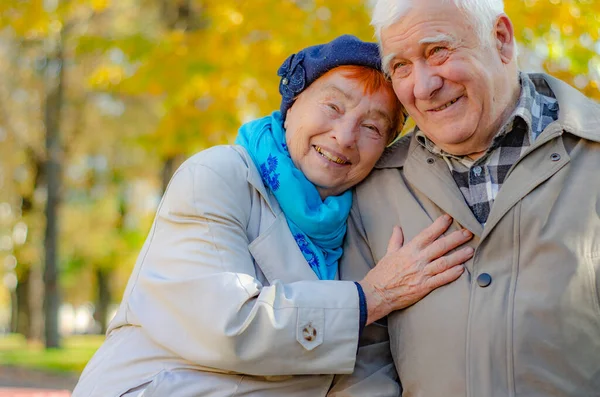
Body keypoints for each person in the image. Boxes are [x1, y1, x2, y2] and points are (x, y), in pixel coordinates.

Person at [72, 35, 475, 397]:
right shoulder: (218, 175)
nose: (345, 135)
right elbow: (229, 327)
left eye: (372, 127)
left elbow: (360, 369)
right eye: (333, 106)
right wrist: (373, 297)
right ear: (293, 103)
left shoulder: (359, 220)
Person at [329, 1, 600, 396]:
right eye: (401, 66)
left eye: (437, 50)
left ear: (501, 40)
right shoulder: (372, 186)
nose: (423, 87)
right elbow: (359, 365)